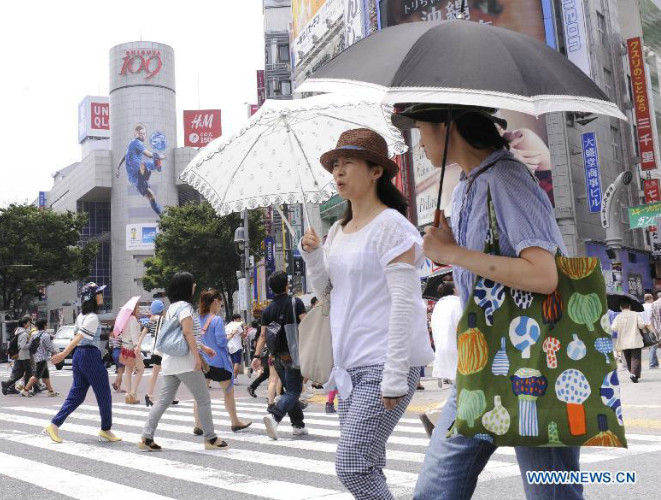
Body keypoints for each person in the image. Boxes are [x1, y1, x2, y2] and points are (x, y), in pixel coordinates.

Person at [391, 103, 583, 499]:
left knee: (551, 493)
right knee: (435, 490)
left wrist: (453, 253)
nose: (419, 143)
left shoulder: (506, 178)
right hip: (481, 363)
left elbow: (544, 274)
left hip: (534, 362)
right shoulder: (466, 187)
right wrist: (451, 247)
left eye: (421, 129)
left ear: (447, 126)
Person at [300, 128, 434, 499]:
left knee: (352, 465)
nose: (338, 172)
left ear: (376, 171)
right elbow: (326, 292)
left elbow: (405, 301)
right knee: (368, 465)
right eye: (335, 165)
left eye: (348, 163)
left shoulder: (392, 226)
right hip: (348, 366)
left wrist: (395, 373)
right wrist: (313, 256)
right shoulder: (338, 230)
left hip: (383, 363)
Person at [139, 271, 227, 451]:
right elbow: (187, 333)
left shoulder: (171, 308)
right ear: (187, 287)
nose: (195, 286)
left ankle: (146, 437)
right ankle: (210, 438)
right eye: (192, 283)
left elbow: (180, 335)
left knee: (163, 401)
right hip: (186, 362)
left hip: (170, 362)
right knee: (203, 399)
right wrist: (197, 357)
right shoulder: (186, 308)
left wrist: (203, 348)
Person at [45, 283, 120, 443]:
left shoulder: (81, 316)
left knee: (77, 395)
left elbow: (77, 338)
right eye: (99, 293)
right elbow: (79, 337)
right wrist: (63, 354)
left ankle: (54, 424)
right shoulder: (92, 317)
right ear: (92, 297)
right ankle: (106, 429)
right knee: (104, 393)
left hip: (79, 355)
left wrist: (68, 354)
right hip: (89, 355)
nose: (101, 296)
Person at [251, 271, 307, 440]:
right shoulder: (295, 302)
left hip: (276, 357)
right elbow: (307, 324)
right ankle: (275, 416)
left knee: (291, 390)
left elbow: (263, 335)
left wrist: (256, 356)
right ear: (286, 285)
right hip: (294, 354)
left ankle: (298, 425)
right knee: (294, 391)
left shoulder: (267, 310)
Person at [198, 289, 251, 432]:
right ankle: (235, 421)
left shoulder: (198, 319)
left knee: (200, 394)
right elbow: (221, 342)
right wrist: (230, 336)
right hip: (219, 362)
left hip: (203, 361)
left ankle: (198, 424)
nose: (221, 306)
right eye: (220, 303)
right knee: (228, 392)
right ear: (215, 302)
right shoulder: (216, 320)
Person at [419, 280, 462, 437]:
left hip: (443, 353)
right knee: (461, 393)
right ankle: (432, 415)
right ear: (455, 290)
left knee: (457, 393)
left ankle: (434, 416)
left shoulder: (438, 306)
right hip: (457, 352)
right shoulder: (458, 304)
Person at [122, 124, 163, 216]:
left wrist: (118, 166)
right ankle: (157, 165)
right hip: (137, 174)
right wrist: (158, 156)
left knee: (151, 196)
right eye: (140, 134)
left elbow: (124, 156)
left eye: (144, 134)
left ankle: (161, 216)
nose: (143, 136)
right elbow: (148, 154)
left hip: (135, 181)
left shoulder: (131, 144)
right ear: (136, 134)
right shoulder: (136, 142)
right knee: (144, 164)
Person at [20, 319, 59, 397]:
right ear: (44, 325)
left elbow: (30, 345)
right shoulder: (45, 335)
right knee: (36, 376)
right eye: (46, 324)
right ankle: (25, 390)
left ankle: (50, 391)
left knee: (45, 376)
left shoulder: (34, 335)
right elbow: (49, 347)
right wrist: (56, 352)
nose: (47, 325)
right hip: (42, 358)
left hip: (37, 357)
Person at [612, 299, 645, 382]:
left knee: (628, 358)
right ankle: (633, 374)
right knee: (635, 358)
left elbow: (614, 328)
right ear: (629, 306)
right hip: (635, 339)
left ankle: (632, 373)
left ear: (620, 307)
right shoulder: (635, 314)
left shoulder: (618, 316)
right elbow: (641, 325)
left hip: (624, 341)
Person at [120, 304, 145, 404]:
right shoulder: (133, 319)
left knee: (128, 371)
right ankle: (133, 394)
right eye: (137, 308)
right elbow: (134, 336)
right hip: (132, 348)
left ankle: (127, 394)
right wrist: (137, 349)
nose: (138, 310)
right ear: (133, 309)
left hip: (125, 348)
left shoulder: (125, 320)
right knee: (141, 369)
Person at [1, 317, 33, 396]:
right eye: (28, 322)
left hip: (18, 356)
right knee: (28, 373)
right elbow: (23, 346)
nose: (29, 324)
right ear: (24, 324)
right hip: (24, 356)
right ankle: (26, 390)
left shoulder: (17, 331)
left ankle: (7, 384)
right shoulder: (24, 334)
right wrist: (31, 343)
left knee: (20, 373)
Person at [226, 314, 246, 381]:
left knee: (231, 363)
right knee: (237, 363)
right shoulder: (237, 325)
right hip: (237, 346)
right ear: (236, 319)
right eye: (239, 319)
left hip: (229, 346)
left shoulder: (228, 325)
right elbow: (243, 335)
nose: (240, 320)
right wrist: (245, 328)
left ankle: (230, 377)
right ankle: (234, 378)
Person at [643, 293, 659, 369]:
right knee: (654, 346)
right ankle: (652, 364)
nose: (653, 299)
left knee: (651, 345)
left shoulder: (642, 306)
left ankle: (655, 363)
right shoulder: (652, 305)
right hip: (653, 327)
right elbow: (652, 317)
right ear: (649, 299)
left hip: (644, 327)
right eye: (652, 298)